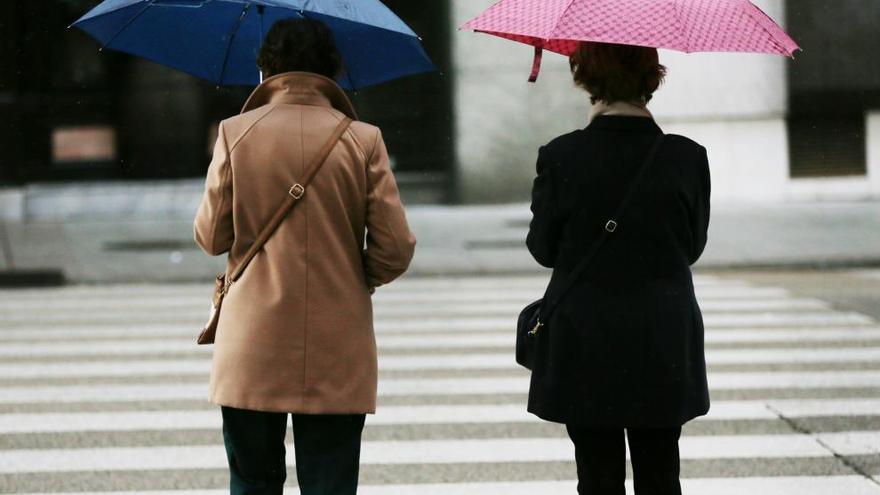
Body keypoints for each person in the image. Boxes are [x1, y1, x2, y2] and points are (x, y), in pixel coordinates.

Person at [193, 18, 416, 495]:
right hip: (338, 338)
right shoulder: (362, 139)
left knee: (253, 480)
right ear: (332, 69)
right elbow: (395, 248)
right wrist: (357, 277)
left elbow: (211, 236)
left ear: (266, 69)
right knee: (330, 482)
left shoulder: (235, 133)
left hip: (252, 338)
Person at [525, 41, 711, 495]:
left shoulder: (561, 155)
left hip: (586, 334)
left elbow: (543, 249)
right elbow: (691, 246)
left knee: (597, 474)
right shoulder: (687, 157)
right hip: (662, 331)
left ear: (584, 77)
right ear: (652, 79)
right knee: (661, 471)